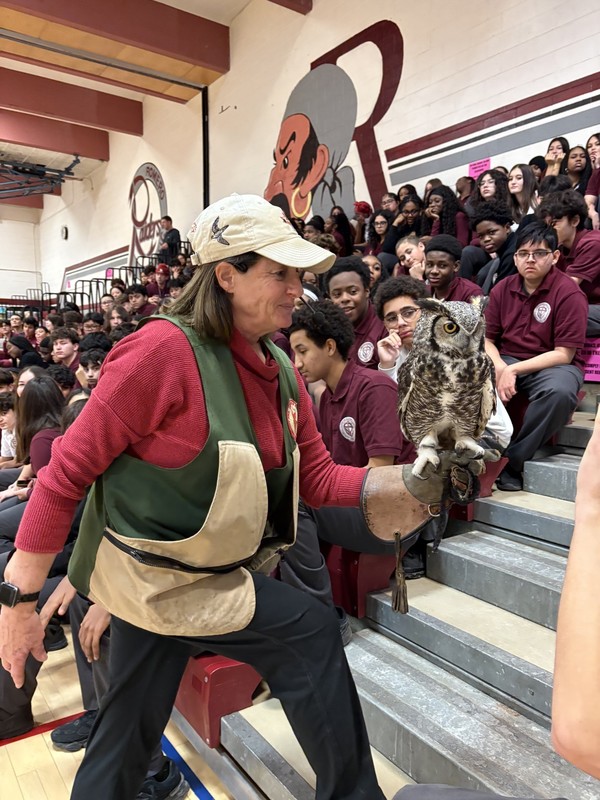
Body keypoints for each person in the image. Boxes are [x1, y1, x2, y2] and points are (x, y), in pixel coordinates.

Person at [0, 194, 485, 800]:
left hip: (194, 577)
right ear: (225, 275)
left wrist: (414, 481)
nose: (296, 287)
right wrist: (19, 604)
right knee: (308, 629)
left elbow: (320, 481)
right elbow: (67, 472)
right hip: (155, 581)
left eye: (298, 274)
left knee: (122, 746)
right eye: (278, 273)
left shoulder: (279, 366)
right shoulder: (159, 353)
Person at [484, 222, 587, 491]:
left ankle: (514, 461)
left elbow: (564, 353)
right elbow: (486, 339)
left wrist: (513, 371)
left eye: (539, 253)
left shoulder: (569, 293)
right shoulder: (502, 289)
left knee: (560, 392)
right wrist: (499, 366)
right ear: (515, 257)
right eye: (523, 253)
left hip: (552, 363)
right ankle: (473, 461)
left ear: (554, 256)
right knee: (469, 379)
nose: (530, 259)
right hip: (506, 357)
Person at [539, 189, 600, 336]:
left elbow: (566, 287)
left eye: (554, 224)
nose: (550, 231)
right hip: (583, 305)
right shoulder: (559, 248)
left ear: (575, 221)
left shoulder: (593, 243)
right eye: (547, 225)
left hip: (595, 307)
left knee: (556, 315)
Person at [325, 256, 387, 369]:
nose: (345, 299)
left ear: (367, 290)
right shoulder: (328, 329)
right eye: (337, 294)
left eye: (353, 291)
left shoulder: (385, 324)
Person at [423, 236, 484, 302]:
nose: (434, 271)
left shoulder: (471, 294)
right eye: (429, 265)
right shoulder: (424, 292)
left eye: (442, 265)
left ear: (456, 266)